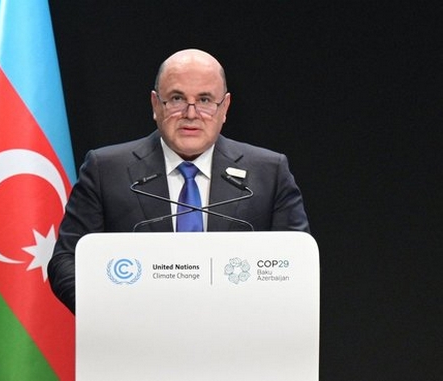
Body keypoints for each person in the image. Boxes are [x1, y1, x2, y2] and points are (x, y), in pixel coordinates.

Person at [48, 48, 309, 314]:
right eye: (176, 98)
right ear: (155, 104)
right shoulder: (105, 170)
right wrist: (113, 315)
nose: (191, 114)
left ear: (225, 107)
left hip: (236, 342)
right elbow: (66, 261)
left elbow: (300, 264)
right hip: (135, 343)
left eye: (205, 99)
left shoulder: (268, 172)